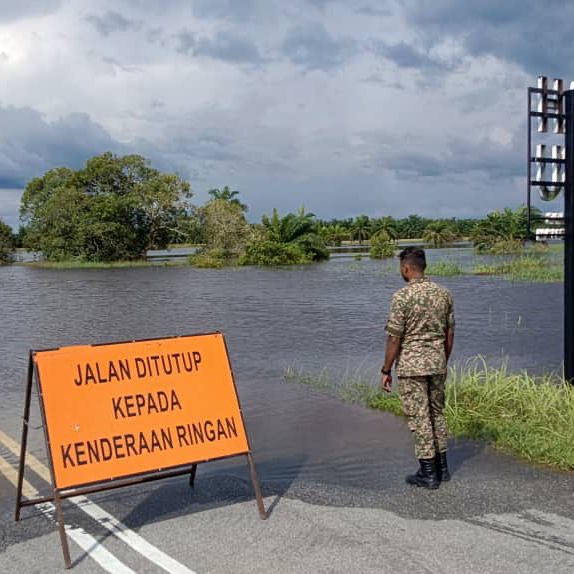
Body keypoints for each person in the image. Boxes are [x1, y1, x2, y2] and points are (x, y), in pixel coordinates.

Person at [380, 247, 455, 489]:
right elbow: (449, 333)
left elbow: (394, 338)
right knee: (436, 414)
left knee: (419, 418)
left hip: (412, 367)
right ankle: (442, 469)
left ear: (406, 268)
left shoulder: (401, 297)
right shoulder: (443, 294)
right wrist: (443, 359)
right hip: (437, 363)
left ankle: (428, 474)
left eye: (401, 267)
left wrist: (386, 370)